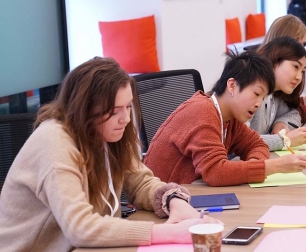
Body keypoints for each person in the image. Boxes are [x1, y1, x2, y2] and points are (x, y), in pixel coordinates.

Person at [0, 57, 220, 251]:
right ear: (85, 110)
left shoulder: (108, 132)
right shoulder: (55, 143)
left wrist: (172, 200)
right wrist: (169, 233)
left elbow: (140, 182)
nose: (125, 119)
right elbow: (81, 228)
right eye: (114, 111)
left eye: (128, 107)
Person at [144, 52, 306, 186]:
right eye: (256, 94)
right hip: (162, 206)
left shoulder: (231, 118)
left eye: (263, 97)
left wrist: (252, 166)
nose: (258, 104)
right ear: (232, 86)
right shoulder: (202, 111)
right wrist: (274, 166)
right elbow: (215, 173)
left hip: (189, 197)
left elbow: (255, 144)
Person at [258, 14, 306, 123]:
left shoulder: (277, 84)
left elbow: (286, 110)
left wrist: (304, 100)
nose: (303, 50)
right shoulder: (257, 86)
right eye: (300, 44)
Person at [248, 36, 306, 151]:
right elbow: (242, 142)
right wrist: (284, 140)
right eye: (295, 67)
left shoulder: (275, 94)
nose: (299, 77)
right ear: (275, 62)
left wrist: (281, 123)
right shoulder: (251, 92)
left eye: (302, 71)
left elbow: (293, 113)